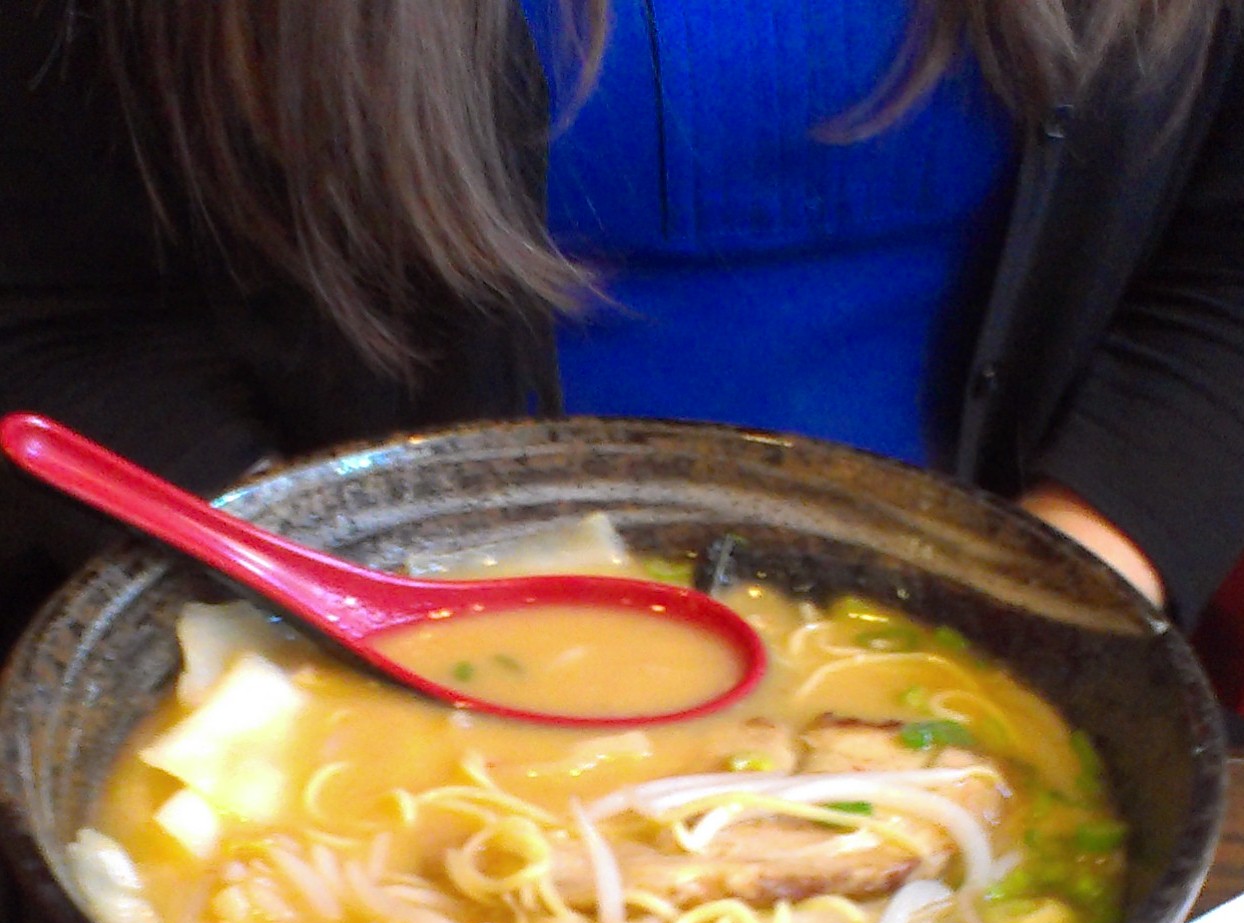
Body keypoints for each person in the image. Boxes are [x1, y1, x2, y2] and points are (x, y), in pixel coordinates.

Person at [1, 0, 1242, 635]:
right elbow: (62, 315)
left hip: (1000, 627)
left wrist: (1046, 615)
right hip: (353, 636)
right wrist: (343, 620)